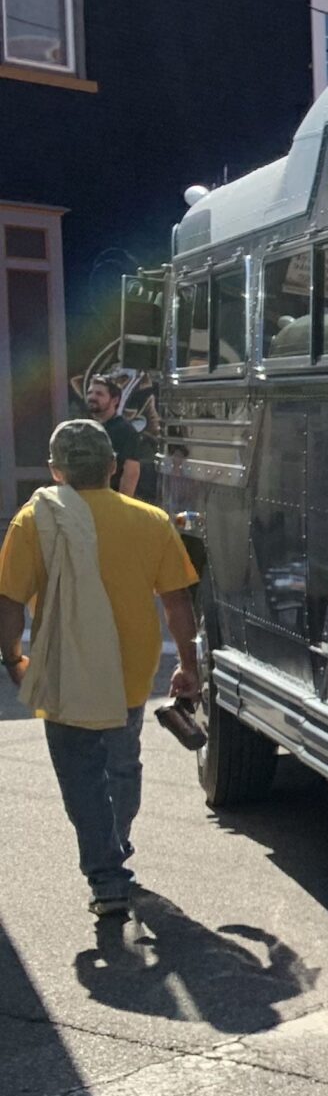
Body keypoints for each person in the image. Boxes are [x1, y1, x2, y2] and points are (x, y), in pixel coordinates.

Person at [0, 420, 202, 918]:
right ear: (113, 466)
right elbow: (177, 603)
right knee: (122, 766)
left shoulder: (36, 519)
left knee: (82, 779)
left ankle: (107, 875)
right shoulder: (151, 520)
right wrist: (190, 667)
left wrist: (12, 657)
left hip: (67, 670)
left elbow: (8, 603)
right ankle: (115, 848)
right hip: (131, 672)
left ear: (55, 470)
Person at [82, 375, 147, 501]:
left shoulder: (125, 431)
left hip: (111, 503)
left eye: (99, 394)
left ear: (115, 400)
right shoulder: (86, 428)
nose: (92, 397)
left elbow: (131, 472)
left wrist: (122, 507)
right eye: (90, 393)